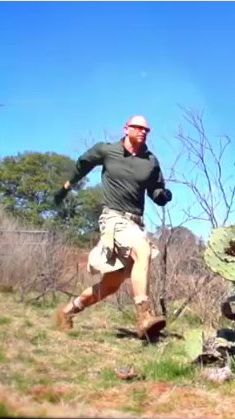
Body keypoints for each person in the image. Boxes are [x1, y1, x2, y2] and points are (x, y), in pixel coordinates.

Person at [53, 115, 172, 339]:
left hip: (135, 221)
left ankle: (67, 312)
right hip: (113, 218)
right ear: (126, 128)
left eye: (146, 129)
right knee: (142, 250)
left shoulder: (150, 161)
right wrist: (66, 186)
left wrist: (163, 196)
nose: (143, 131)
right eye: (138, 127)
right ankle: (144, 315)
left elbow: (156, 190)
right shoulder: (107, 151)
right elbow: (82, 165)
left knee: (110, 285)